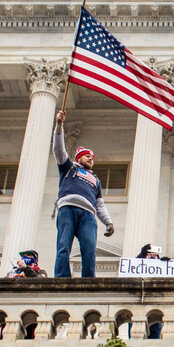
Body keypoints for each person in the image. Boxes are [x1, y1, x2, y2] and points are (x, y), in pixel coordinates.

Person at [52, 110, 115, 278]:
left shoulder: (95, 180)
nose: (90, 159)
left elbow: (99, 204)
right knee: (64, 246)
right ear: (78, 158)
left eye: (92, 158)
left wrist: (108, 222)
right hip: (67, 208)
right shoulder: (68, 167)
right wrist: (59, 126)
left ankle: (88, 280)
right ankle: (61, 277)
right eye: (87, 156)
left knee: (89, 249)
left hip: (88, 213)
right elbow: (58, 149)